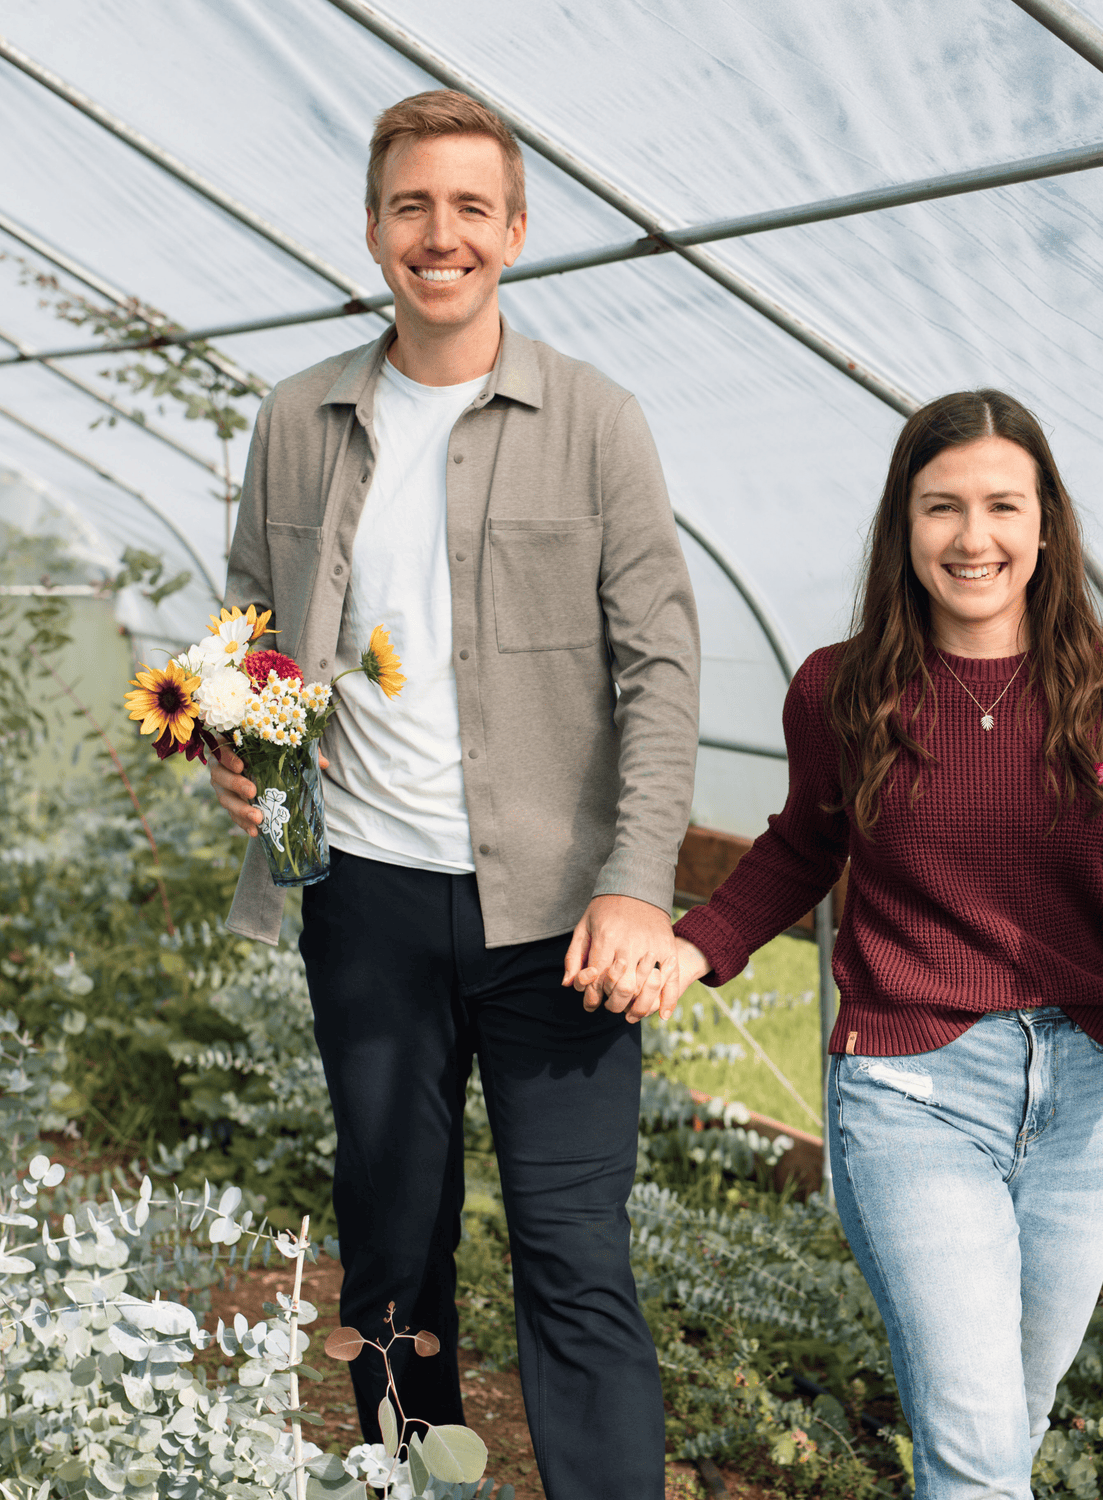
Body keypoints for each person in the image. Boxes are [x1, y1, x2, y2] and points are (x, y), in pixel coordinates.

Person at [209, 90, 698, 1499]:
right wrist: (236, 736)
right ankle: (412, 1479)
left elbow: (662, 665)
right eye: (412, 206)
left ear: (516, 230)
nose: (442, 235)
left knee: (575, 1254)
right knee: (391, 1242)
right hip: (361, 897)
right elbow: (253, 618)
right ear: (373, 230)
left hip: (560, 918)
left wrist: (634, 881)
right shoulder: (298, 420)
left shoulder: (597, 424)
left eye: (471, 208)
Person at [665, 391, 1103, 1498]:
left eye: (1003, 505)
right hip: (912, 1087)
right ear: (905, 524)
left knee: (1012, 1419)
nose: (973, 537)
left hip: (1088, 1098)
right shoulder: (841, 688)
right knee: (975, 1445)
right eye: (942, 507)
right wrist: (696, 945)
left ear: (1048, 525)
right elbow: (804, 848)